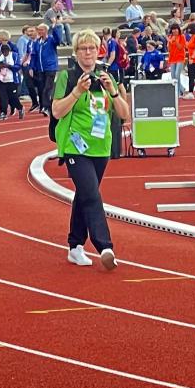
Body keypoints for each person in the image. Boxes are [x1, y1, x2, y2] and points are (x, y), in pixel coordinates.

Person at [51, 29, 130, 271]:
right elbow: (57, 111)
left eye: (92, 48)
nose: (88, 53)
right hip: (75, 146)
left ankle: (75, 246)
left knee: (85, 194)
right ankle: (105, 246)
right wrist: (77, 92)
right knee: (92, 195)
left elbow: (124, 114)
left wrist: (113, 91)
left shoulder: (107, 76)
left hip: (100, 146)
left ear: (99, 51)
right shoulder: (67, 76)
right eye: (83, 48)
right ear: (76, 52)